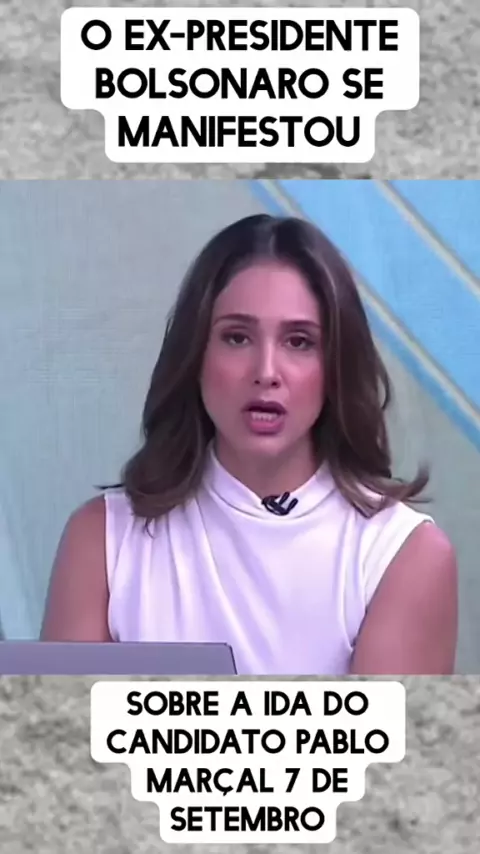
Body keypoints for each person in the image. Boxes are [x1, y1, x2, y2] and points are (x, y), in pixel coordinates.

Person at [41, 213, 458, 674]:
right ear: (196, 355)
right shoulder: (102, 540)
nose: (266, 371)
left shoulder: (401, 553)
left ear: (335, 365)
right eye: (237, 337)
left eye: (299, 342)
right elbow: (67, 722)